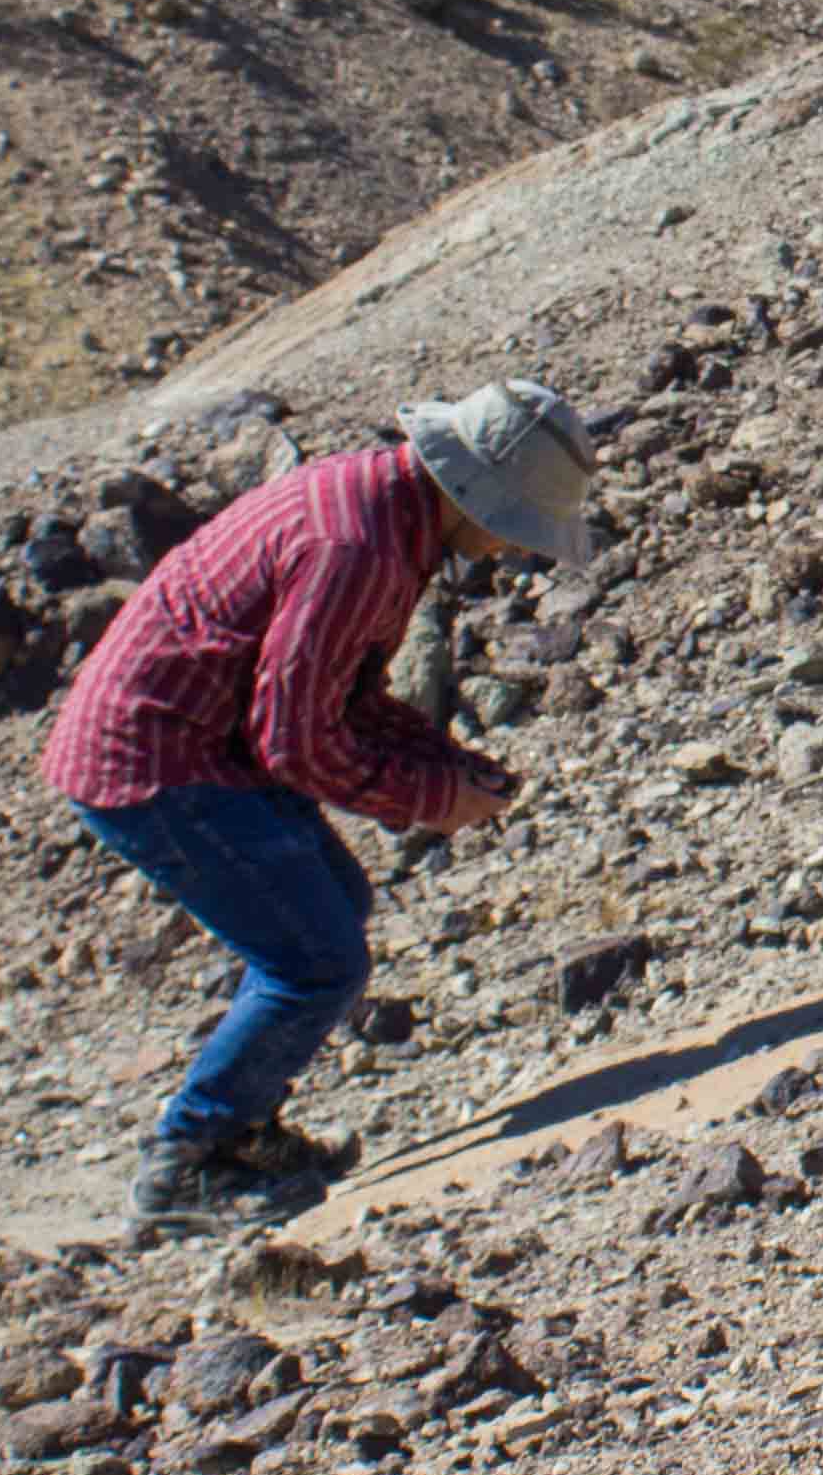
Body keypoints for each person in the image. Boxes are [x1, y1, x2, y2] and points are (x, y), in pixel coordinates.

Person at [40, 379, 592, 1228]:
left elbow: (342, 693)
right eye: (511, 527)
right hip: (157, 761)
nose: (506, 552)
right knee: (315, 962)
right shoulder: (359, 548)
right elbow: (295, 741)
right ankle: (187, 1163)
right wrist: (433, 798)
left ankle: (242, 1130)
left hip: (196, 740)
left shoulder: (384, 507)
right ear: (472, 495)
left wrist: (443, 762)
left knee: (337, 909)